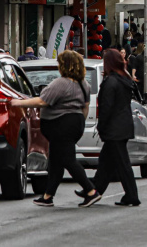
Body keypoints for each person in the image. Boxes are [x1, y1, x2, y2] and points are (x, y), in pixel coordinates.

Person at [11, 50, 100, 208]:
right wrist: (78, 123)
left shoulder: (61, 83)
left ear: (65, 66)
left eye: (60, 63)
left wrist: (17, 103)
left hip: (61, 126)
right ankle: (48, 195)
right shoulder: (83, 84)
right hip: (74, 123)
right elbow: (85, 107)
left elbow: (42, 101)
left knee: (68, 160)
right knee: (56, 161)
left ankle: (91, 190)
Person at [87, 49, 140, 207]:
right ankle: (94, 190)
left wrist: (101, 126)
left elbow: (106, 107)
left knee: (122, 164)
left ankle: (132, 195)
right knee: (106, 162)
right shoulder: (124, 79)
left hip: (114, 128)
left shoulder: (111, 82)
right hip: (122, 126)